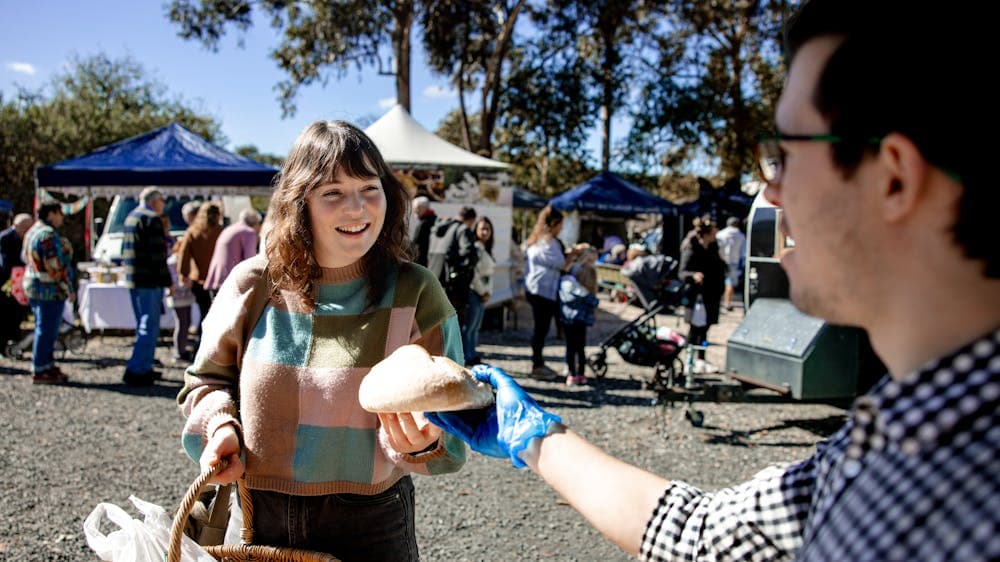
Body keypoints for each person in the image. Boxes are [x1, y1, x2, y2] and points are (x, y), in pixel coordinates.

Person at [427, 1, 1000, 560]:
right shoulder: (892, 430)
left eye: (787, 155)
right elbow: (703, 534)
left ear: (893, 179)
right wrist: (534, 438)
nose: (770, 192)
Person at [177, 120, 468, 561]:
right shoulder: (253, 284)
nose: (357, 208)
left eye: (370, 187)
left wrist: (425, 443)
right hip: (259, 514)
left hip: (372, 521)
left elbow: (454, 429)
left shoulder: (417, 291)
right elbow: (204, 383)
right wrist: (219, 428)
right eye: (332, 193)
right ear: (300, 203)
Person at [122, 187, 172, 386]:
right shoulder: (151, 219)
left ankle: (144, 365)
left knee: (143, 324)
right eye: (162, 200)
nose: (163, 204)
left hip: (134, 278)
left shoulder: (131, 216)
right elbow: (158, 255)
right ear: (154, 200)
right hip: (149, 279)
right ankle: (137, 369)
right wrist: (167, 280)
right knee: (149, 325)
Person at [20, 203, 74, 384]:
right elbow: (54, 266)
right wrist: (66, 282)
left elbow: (24, 257)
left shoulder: (33, 230)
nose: (62, 218)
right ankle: (41, 367)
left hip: (33, 284)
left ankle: (47, 363)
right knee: (47, 328)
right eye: (60, 213)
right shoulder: (47, 235)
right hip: (48, 288)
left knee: (43, 326)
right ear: (52, 214)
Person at [523, 205, 566, 379]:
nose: (561, 229)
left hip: (537, 288)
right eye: (560, 225)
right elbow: (561, 263)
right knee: (541, 329)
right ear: (554, 223)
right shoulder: (547, 243)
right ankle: (537, 365)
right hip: (542, 290)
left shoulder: (538, 240)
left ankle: (538, 363)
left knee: (541, 328)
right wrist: (574, 254)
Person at [677, 217, 725, 362]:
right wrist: (693, 275)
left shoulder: (714, 248)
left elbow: (718, 268)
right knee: (695, 329)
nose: (715, 236)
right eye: (713, 233)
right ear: (706, 234)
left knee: (705, 328)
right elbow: (682, 273)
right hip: (697, 295)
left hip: (712, 293)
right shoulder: (692, 248)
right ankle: (689, 359)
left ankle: (700, 359)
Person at [176, 201, 223, 333]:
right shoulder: (222, 232)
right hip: (218, 280)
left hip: (199, 280)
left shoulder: (192, 232)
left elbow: (183, 255)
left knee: (204, 312)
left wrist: (183, 274)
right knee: (216, 314)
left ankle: (200, 345)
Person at [427, 205, 478, 324]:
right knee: (453, 328)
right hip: (453, 289)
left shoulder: (436, 229)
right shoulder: (463, 229)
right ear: (471, 220)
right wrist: (460, 273)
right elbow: (470, 255)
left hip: (433, 284)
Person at [558, 246, 598, 386]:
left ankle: (572, 373)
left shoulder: (567, 280)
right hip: (580, 319)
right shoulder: (586, 293)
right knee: (580, 347)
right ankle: (579, 373)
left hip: (568, 318)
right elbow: (593, 301)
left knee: (571, 347)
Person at [203, 208, 261, 297]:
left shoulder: (229, 229)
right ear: (256, 223)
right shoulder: (248, 232)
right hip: (231, 282)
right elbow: (250, 260)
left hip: (217, 279)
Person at [462, 215, 495, 366]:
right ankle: (466, 357)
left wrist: (487, 293)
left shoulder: (486, 249)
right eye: (482, 228)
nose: (485, 232)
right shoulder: (476, 248)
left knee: (475, 328)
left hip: (483, 294)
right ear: (476, 230)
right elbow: (474, 274)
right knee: (469, 327)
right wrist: (483, 292)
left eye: (488, 229)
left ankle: (472, 355)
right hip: (475, 292)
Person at [1, 213, 32, 353]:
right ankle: (4, 345)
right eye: (26, 227)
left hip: (21, 282)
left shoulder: (27, 238)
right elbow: (5, 262)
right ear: (18, 226)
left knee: (18, 313)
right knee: (6, 314)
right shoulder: (5, 237)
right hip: (6, 282)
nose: (28, 230)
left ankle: (15, 344)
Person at [165, 248, 195, 363]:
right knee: (181, 324)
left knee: (187, 322)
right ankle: (179, 352)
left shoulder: (186, 261)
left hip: (186, 297)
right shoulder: (172, 262)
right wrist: (188, 283)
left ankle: (182, 349)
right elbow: (175, 282)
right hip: (178, 298)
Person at [715, 216, 746, 311]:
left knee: (717, 282)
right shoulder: (741, 236)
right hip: (734, 262)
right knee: (730, 283)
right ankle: (727, 302)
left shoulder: (720, 234)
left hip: (719, 260)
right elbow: (743, 252)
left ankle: (717, 302)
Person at [409, 195, 436, 267]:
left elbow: (417, 244)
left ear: (422, 208)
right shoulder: (434, 220)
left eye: (416, 209)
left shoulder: (424, 224)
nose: (415, 212)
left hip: (422, 260)